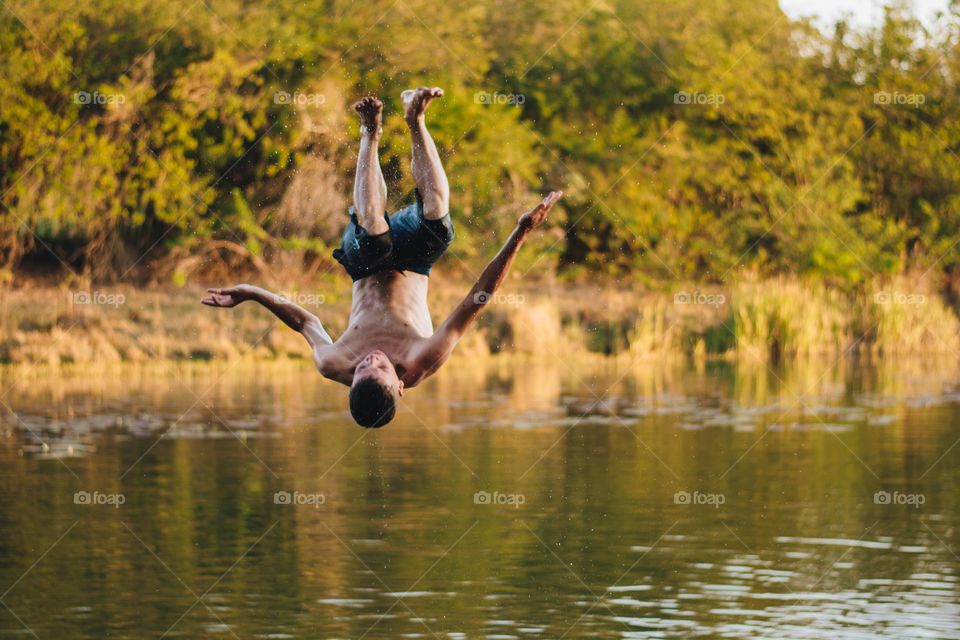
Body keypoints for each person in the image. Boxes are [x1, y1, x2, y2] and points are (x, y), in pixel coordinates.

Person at [202, 86, 562, 428]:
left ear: (351, 381)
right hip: (415, 261)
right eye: (380, 368)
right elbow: (477, 298)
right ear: (400, 385)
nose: (371, 359)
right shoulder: (424, 358)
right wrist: (522, 231)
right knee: (439, 227)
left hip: (364, 263)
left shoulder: (332, 362)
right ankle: (415, 117)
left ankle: (370, 132)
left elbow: (305, 322)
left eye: (362, 369)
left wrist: (250, 292)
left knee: (374, 240)